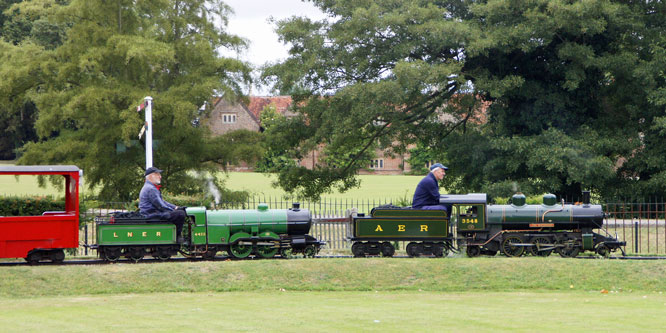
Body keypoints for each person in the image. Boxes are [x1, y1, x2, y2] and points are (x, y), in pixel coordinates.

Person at [139, 166, 186, 242]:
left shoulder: (149, 187)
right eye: (158, 174)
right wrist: (173, 211)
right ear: (151, 176)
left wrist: (175, 207)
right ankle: (177, 236)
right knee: (180, 214)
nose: (160, 177)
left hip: (152, 213)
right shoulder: (151, 189)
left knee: (178, 212)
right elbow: (160, 206)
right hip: (152, 215)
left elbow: (162, 202)